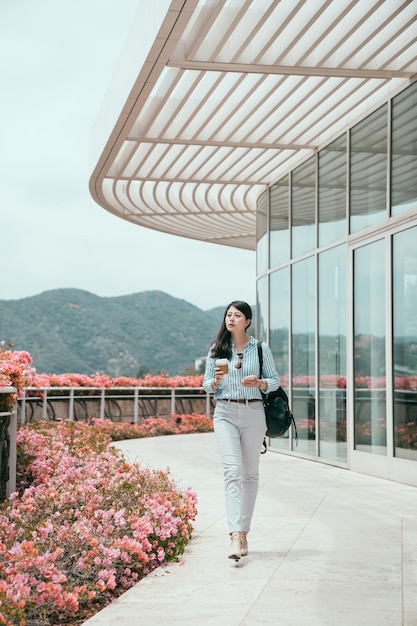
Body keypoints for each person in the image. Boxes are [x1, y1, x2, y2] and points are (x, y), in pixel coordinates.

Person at [202, 300, 279, 561]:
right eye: (228, 315)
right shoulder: (217, 349)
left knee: (250, 474)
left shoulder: (260, 349)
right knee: (232, 472)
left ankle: (244, 532)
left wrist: (259, 382)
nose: (230, 319)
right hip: (224, 412)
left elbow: (275, 381)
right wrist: (214, 382)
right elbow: (205, 385)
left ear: (247, 320)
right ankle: (235, 534)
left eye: (236, 315)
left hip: (254, 412)